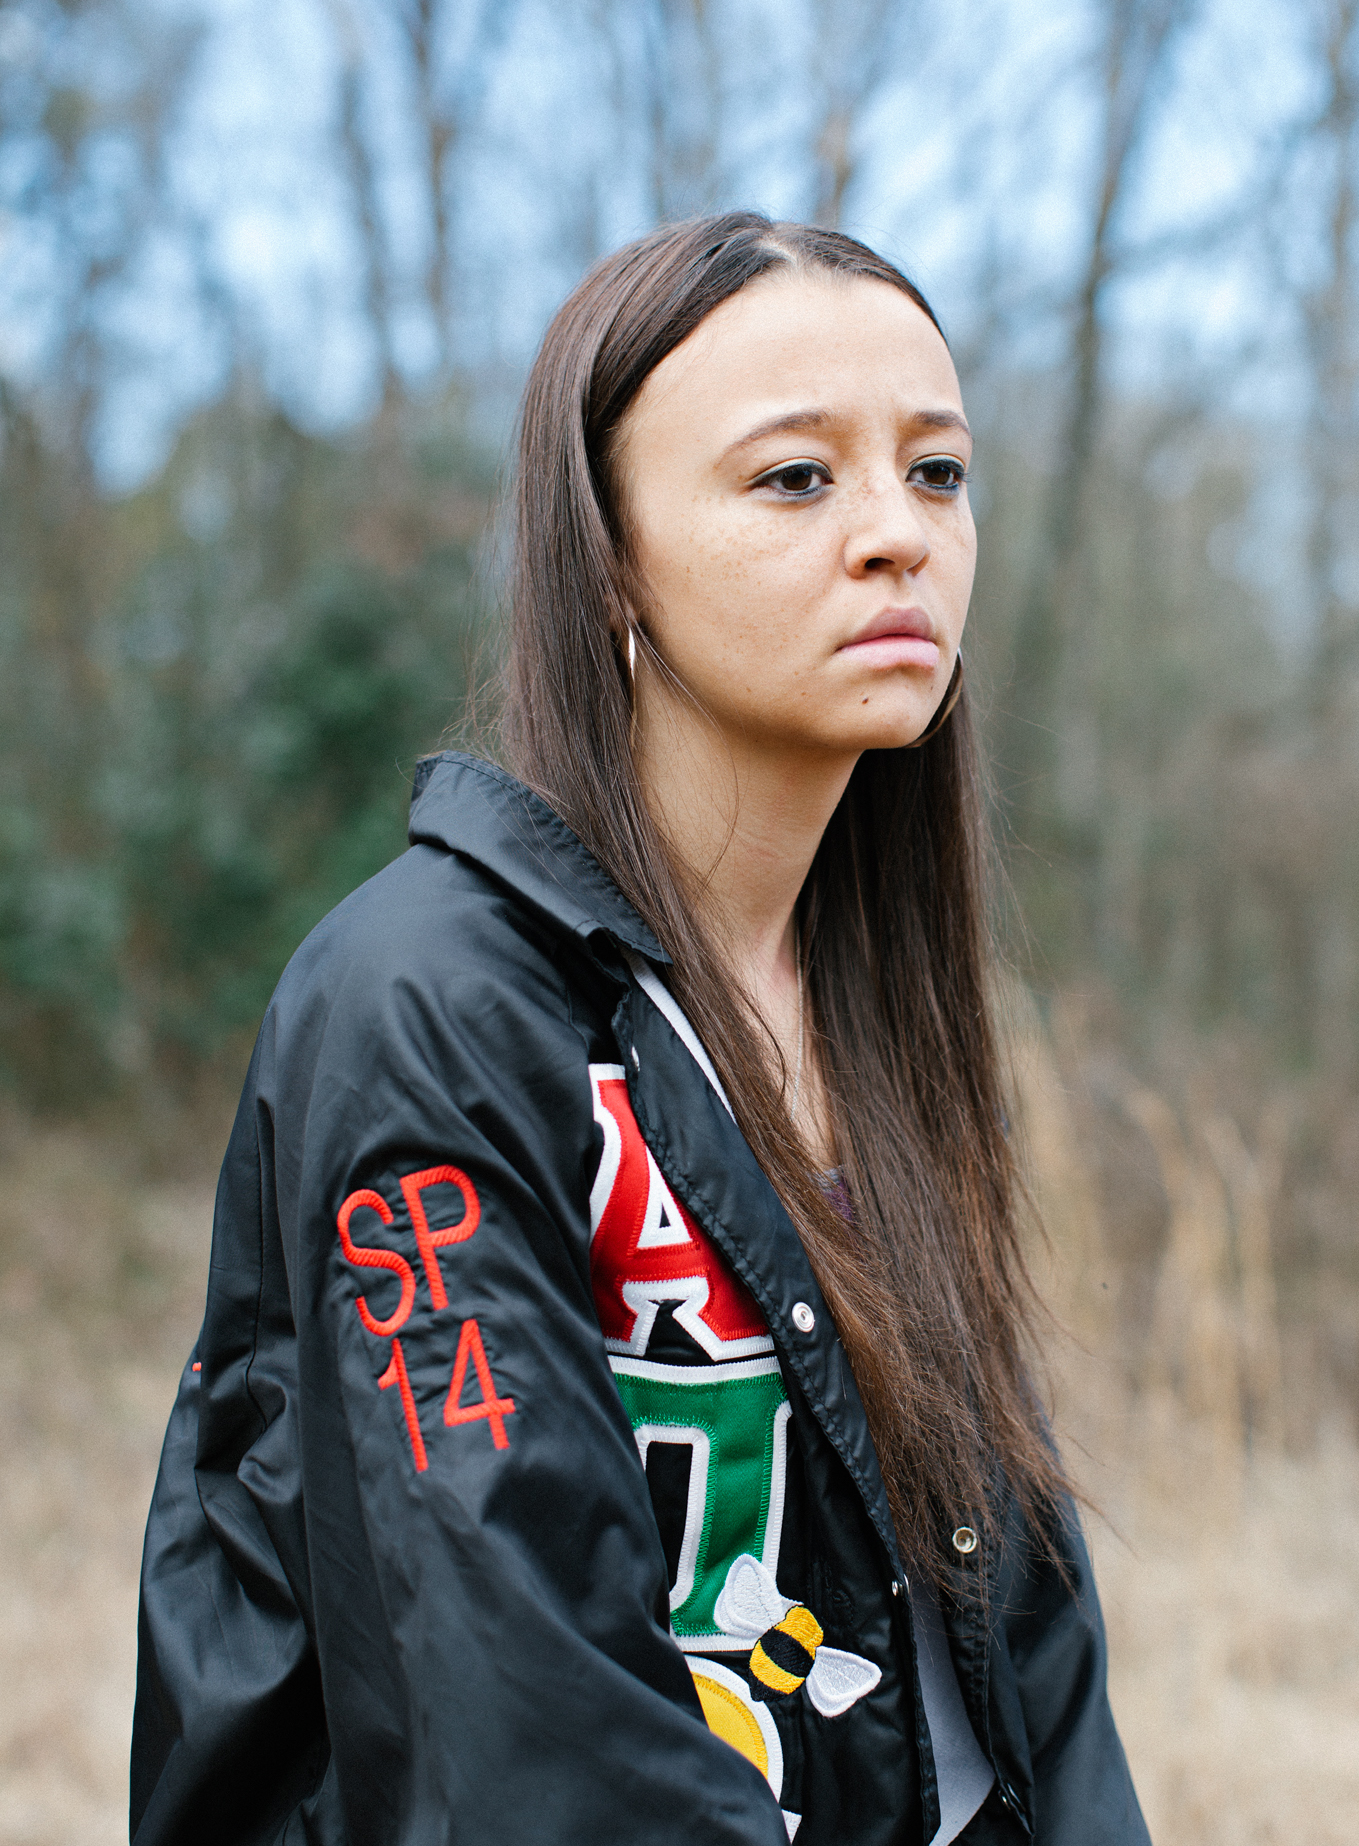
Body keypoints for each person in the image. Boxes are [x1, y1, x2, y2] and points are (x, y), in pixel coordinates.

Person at [130, 212, 1149, 1846]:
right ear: (608, 565)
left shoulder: (887, 1016)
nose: (898, 535)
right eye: (795, 478)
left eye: (939, 473)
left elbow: (1024, 1641)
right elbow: (524, 1722)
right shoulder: (432, 1007)